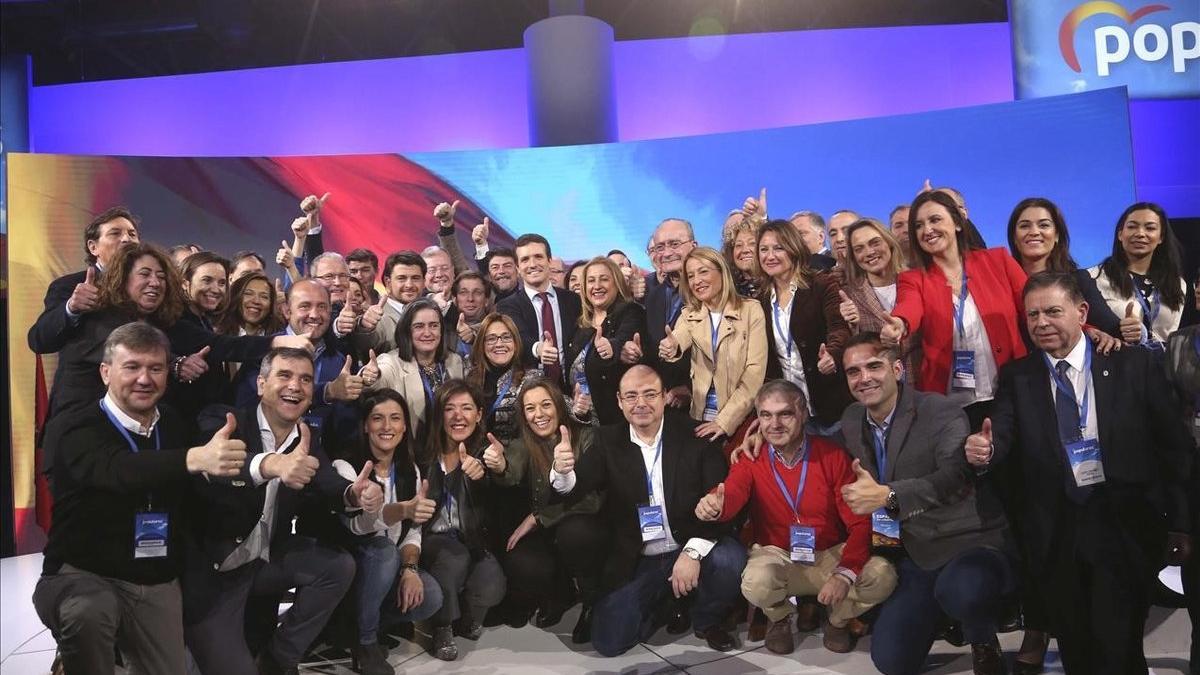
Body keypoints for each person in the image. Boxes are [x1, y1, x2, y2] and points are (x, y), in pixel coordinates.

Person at [964, 272, 1195, 674]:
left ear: (1082, 311)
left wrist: (1181, 523)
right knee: (1075, 642)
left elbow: (1173, 449)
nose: (1041, 322)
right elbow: (1002, 430)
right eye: (1032, 314)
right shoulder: (1019, 376)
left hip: (1123, 524)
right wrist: (985, 450)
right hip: (1055, 529)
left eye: (1053, 311)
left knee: (1119, 643)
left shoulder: (1132, 364)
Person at [33, 322, 248, 674]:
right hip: (81, 572)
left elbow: (194, 486)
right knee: (89, 612)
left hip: (152, 576)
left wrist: (260, 469)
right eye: (131, 367)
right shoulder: (74, 425)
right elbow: (115, 469)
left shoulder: (174, 424)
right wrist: (193, 458)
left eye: (155, 368)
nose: (144, 379)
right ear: (106, 372)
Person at [182, 346, 383, 675]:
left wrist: (355, 495)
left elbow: (330, 483)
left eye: (306, 379)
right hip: (217, 572)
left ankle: (278, 660)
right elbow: (217, 464)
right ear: (261, 384)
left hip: (267, 559)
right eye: (284, 376)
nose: (296, 386)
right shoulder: (224, 420)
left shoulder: (306, 436)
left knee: (338, 567)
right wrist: (272, 464)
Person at [37, 244, 303, 476]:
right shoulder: (94, 315)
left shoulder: (166, 322)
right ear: (123, 278)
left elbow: (220, 345)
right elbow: (123, 346)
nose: (155, 282)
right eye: (145, 274)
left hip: (136, 445)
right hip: (80, 442)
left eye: (161, 276)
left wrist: (277, 342)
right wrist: (176, 364)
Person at [838, 331, 1015, 675]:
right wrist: (767, 434)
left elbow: (952, 477)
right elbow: (820, 439)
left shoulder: (940, 411)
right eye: (853, 372)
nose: (864, 378)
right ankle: (937, 616)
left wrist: (889, 496)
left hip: (966, 540)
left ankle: (981, 636)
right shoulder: (850, 419)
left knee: (962, 591)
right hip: (915, 551)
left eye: (874, 366)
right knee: (891, 662)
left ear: (898, 369)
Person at [550, 365, 747, 656]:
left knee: (730, 558)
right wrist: (562, 470)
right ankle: (668, 601)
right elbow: (571, 490)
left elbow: (719, 500)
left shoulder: (695, 435)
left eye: (649, 394)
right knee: (608, 641)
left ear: (665, 396)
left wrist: (691, 554)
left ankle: (706, 619)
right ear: (619, 401)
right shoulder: (607, 441)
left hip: (690, 543)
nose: (640, 403)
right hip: (641, 555)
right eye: (631, 396)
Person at [695, 379, 898, 655]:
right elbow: (731, 493)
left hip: (829, 554)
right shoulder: (750, 458)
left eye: (785, 414)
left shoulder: (832, 455)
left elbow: (860, 521)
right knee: (756, 581)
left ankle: (838, 620)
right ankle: (779, 618)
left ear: (802, 414)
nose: (774, 424)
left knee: (883, 576)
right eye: (766, 415)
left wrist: (845, 572)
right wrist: (714, 504)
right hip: (779, 555)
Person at [882, 190, 1028, 430]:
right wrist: (900, 322)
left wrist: (1086, 328)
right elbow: (909, 306)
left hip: (1009, 393)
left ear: (958, 223)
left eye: (935, 220)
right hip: (951, 405)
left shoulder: (997, 260)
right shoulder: (913, 279)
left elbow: (1035, 306)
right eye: (918, 225)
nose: (927, 230)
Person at [329, 390, 442, 675]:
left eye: (395, 418)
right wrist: (402, 510)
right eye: (377, 419)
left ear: (405, 427)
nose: (387, 427)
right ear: (365, 425)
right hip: (350, 572)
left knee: (430, 595)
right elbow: (357, 526)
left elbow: (413, 532)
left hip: (388, 570)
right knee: (383, 551)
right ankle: (366, 643)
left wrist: (410, 568)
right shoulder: (345, 466)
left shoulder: (410, 470)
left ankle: (360, 627)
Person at [493, 377, 607, 643]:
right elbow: (509, 472)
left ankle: (592, 601)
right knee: (521, 559)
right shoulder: (525, 443)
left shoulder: (586, 436)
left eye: (545, 405)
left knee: (574, 533)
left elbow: (593, 501)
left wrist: (538, 517)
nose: (538, 414)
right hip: (548, 532)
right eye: (530, 408)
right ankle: (560, 593)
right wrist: (498, 466)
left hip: (585, 528)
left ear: (559, 405)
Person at [419, 379, 508, 661]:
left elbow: (497, 492)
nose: (459, 416)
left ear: (479, 414)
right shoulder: (422, 453)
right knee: (452, 557)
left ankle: (467, 616)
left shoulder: (486, 452)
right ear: (439, 415)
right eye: (450, 408)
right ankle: (442, 626)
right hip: (430, 539)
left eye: (467, 408)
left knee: (491, 582)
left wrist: (485, 475)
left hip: (472, 539)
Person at [234, 279, 366, 443]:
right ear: (287, 311)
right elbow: (249, 404)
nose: (314, 314)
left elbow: (346, 423)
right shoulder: (262, 352)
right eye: (305, 306)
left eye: (322, 307)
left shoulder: (339, 359)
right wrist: (327, 391)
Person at [658, 246, 766, 443]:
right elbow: (679, 337)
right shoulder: (689, 314)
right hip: (699, 418)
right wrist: (671, 346)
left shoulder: (751, 311)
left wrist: (724, 421)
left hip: (739, 418)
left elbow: (754, 375)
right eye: (690, 276)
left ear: (722, 272)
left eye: (703, 272)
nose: (697, 281)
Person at [757, 219, 853, 433]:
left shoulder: (821, 284)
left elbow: (839, 327)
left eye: (778, 248)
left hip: (829, 401)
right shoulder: (761, 299)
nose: (770, 256)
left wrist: (832, 354)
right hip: (790, 411)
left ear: (794, 248)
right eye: (764, 249)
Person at [28, 206, 140, 354]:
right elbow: (39, 341)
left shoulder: (152, 285)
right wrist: (71, 309)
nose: (126, 239)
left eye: (132, 234)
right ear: (93, 247)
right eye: (115, 233)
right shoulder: (68, 286)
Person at [1005, 197, 1121, 338]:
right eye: (1024, 226)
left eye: (1044, 225)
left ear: (1057, 236)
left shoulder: (1078, 280)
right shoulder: (1002, 285)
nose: (1034, 232)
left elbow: (1112, 329)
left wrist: (1132, 330)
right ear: (1014, 238)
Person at [1087, 202, 1192, 348]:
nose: (1140, 233)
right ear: (1120, 234)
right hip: (1116, 363)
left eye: (1150, 228)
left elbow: (1171, 335)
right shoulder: (1093, 278)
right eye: (1132, 227)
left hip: (1161, 366)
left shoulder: (1177, 283)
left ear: (1161, 237)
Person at [367, 297, 466, 446]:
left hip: (449, 448)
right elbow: (376, 381)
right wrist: (370, 378)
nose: (427, 333)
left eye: (433, 325)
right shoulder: (391, 362)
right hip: (412, 453)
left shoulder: (454, 361)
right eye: (419, 326)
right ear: (406, 331)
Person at [622, 218, 698, 410]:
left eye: (674, 244)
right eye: (659, 247)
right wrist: (629, 353)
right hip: (664, 407)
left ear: (694, 246)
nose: (666, 253)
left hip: (706, 404)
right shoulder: (652, 296)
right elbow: (652, 354)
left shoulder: (709, 290)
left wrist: (691, 388)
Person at [564, 256, 645, 425]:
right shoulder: (581, 323)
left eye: (604, 279)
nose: (597, 286)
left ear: (616, 283)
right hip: (581, 418)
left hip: (615, 419)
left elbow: (624, 337)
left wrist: (613, 347)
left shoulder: (630, 311)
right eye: (591, 281)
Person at [495, 233, 582, 389]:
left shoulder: (573, 301)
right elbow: (519, 336)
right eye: (525, 260)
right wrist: (538, 349)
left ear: (549, 262)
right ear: (518, 268)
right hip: (531, 390)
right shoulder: (507, 306)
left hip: (574, 389)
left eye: (538, 257)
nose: (533, 264)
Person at [838, 218, 921, 380]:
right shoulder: (850, 294)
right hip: (881, 387)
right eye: (859, 249)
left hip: (925, 381)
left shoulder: (918, 280)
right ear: (854, 256)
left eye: (875, 243)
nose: (869, 252)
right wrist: (852, 327)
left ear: (889, 243)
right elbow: (853, 351)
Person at [467, 313, 532, 443]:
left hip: (516, 457)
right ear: (482, 344)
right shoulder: (468, 377)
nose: (499, 344)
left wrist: (578, 409)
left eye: (506, 337)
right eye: (491, 339)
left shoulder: (531, 379)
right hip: (475, 455)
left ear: (515, 342)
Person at [353, 250, 427, 355]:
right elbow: (366, 345)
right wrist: (365, 327)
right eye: (402, 278)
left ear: (424, 282)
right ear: (388, 282)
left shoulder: (432, 312)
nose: (409, 285)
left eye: (415, 278)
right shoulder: (376, 318)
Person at [446, 270, 493, 361]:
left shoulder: (498, 327)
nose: (470, 299)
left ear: (486, 300)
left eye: (477, 293)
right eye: (463, 293)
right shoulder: (443, 330)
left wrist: (475, 335)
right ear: (454, 299)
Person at [722, 215, 762, 297]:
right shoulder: (726, 290)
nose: (745, 250)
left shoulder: (775, 285)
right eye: (739, 245)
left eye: (752, 243)